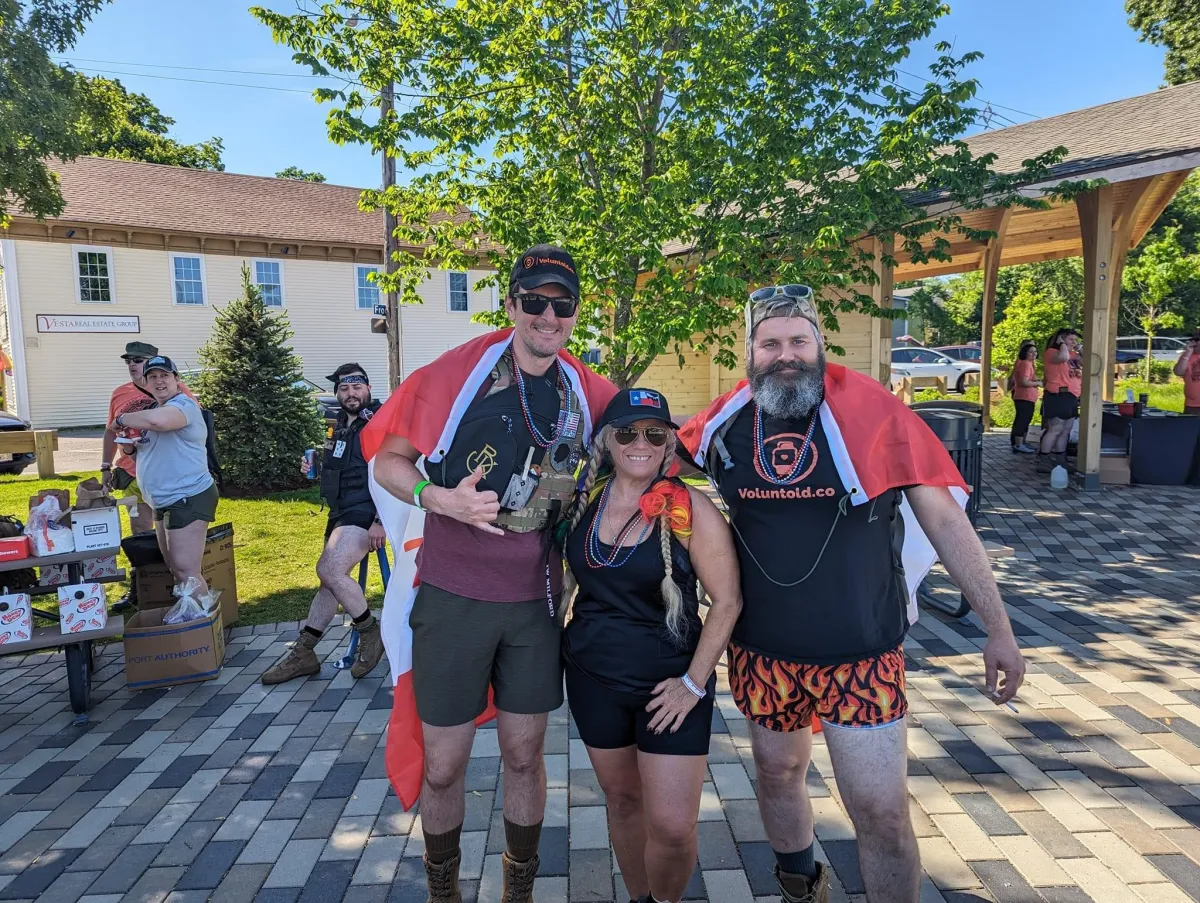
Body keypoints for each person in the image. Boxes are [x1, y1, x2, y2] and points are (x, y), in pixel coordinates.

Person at [677, 286, 1026, 903]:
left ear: (818, 343)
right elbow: (647, 461)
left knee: (881, 813)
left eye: (798, 341)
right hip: (764, 653)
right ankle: (800, 887)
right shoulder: (725, 420)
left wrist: (998, 628)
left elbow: (946, 522)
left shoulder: (875, 412)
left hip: (860, 654)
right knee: (779, 774)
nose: (785, 355)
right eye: (770, 343)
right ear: (750, 351)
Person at [365, 245, 617, 902]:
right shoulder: (458, 374)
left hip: (535, 606)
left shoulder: (585, 392)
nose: (547, 315)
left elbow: (658, 444)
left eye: (561, 304)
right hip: (453, 599)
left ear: (574, 313)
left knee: (524, 756)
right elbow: (389, 460)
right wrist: (438, 498)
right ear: (510, 305)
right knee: (445, 767)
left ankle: (519, 890)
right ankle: (443, 890)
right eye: (533, 300)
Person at [562, 389, 741, 903]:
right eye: (626, 432)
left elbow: (726, 602)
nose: (640, 442)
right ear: (607, 442)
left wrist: (693, 684)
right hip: (594, 679)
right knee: (621, 802)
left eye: (655, 433)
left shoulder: (689, 510)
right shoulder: (584, 501)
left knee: (673, 826)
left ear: (668, 445)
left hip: (670, 686)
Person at [261, 363, 387, 684]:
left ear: (368, 388)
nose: (350, 393)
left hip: (365, 511)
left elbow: (393, 470)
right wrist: (314, 463)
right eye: (344, 388)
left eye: (356, 387)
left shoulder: (380, 420)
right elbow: (344, 461)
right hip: (339, 511)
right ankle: (305, 652)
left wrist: (380, 521)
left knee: (329, 571)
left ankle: (371, 634)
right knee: (329, 582)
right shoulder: (339, 424)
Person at [109, 356, 219, 606]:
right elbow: (147, 453)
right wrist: (128, 449)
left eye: (165, 375)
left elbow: (159, 422)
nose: (159, 381)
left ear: (177, 379)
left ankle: (203, 628)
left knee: (186, 570)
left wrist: (121, 419)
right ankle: (192, 618)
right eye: (153, 377)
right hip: (162, 500)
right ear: (146, 383)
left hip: (188, 496)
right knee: (174, 567)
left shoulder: (184, 406)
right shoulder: (154, 411)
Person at [1038, 327, 1081, 468]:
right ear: (1060, 339)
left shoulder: (1072, 354)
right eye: (1070, 339)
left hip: (1071, 395)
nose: (1073, 342)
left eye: (1075, 340)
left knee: (1066, 429)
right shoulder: (1052, 352)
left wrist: (1081, 348)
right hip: (1058, 394)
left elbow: (1087, 362)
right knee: (1055, 428)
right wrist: (1061, 343)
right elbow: (1063, 357)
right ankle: (1043, 459)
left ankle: (1060, 460)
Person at [1009, 340, 1042, 453]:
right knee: (1022, 421)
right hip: (1024, 396)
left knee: (1025, 420)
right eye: (1031, 352)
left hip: (1028, 397)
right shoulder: (1025, 364)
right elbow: (1023, 381)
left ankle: (1022, 442)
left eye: (1035, 352)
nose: (1034, 354)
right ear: (1024, 352)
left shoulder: (1029, 364)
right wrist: (1037, 383)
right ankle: (1018, 444)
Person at [1174, 331, 1200, 415]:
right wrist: (1188, 353)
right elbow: (1178, 372)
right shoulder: (1187, 356)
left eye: (1196, 340)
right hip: (1192, 406)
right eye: (1192, 339)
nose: (1193, 342)